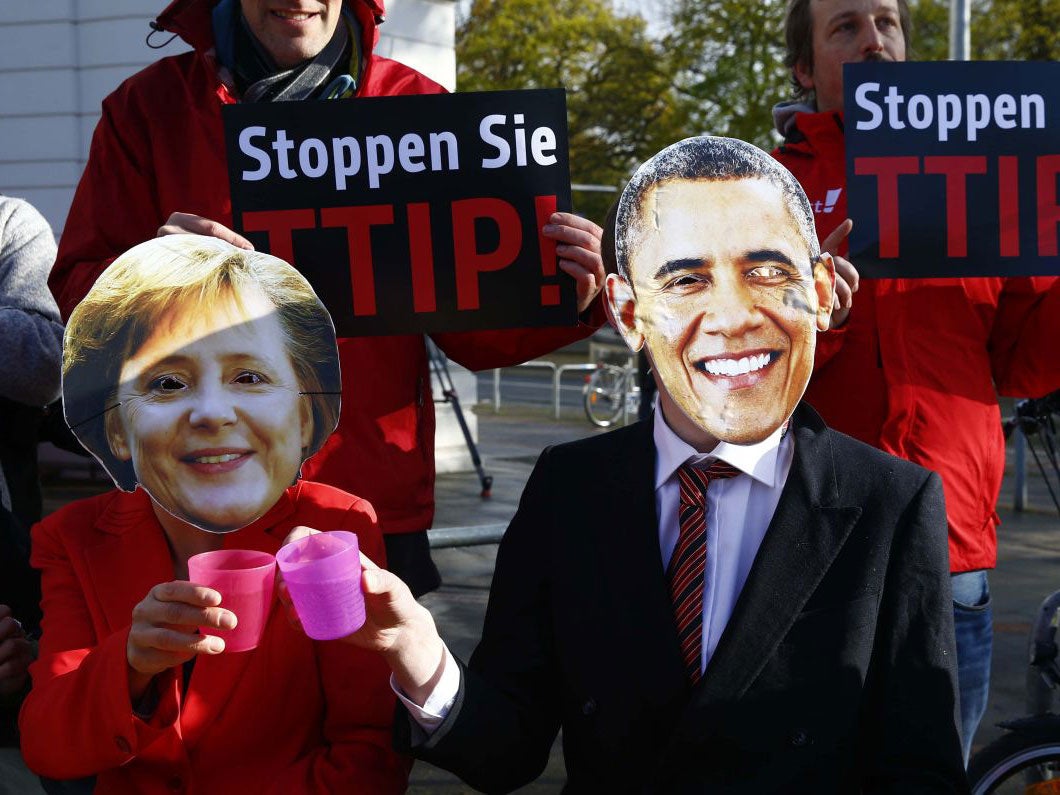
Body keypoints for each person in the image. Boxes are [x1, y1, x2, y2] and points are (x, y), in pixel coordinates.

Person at [287, 136, 968, 792]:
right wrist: (418, 651)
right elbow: (507, 747)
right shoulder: (570, 490)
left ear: (820, 293)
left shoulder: (890, 504)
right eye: (686, 278)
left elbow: (920, 770)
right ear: (627, 310)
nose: (730, 315)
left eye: (765, 270)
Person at [47, 0, 606, 597]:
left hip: (367, 503)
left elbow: (471, 330)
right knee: (212, 683)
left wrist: (564, 293)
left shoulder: (418, 106)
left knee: (375, 686)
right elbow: (79, 293)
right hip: (200, 495)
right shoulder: (148, 110)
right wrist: (149, 273)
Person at [772, 0, 1060, 762]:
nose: (875, 39)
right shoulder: (768, 191)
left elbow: (1021, 364)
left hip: (951, 548)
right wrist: (815, 326)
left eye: (888, 22)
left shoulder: (989, 171)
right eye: (846, 27)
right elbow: (730, 377)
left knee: (934, 774)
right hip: (808, 551)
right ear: (806, 69)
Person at [19, 235, 409, 793]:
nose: (210, 412)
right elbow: (48, 745)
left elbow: (370, 755)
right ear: (114, 429)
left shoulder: (334, 529)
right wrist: (128, 665)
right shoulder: (73, 539)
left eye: (248, 376)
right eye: (167, 383)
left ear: (306, 416)